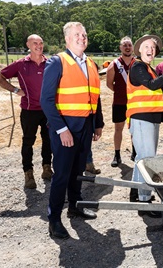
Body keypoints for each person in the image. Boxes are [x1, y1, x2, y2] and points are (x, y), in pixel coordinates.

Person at [41, 22, 104, 239]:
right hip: (65, 128)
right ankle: (54, 219)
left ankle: (75, 206)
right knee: (62, 175)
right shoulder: (57, 62)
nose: (82, 38)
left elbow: (96, 96)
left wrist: (98, 123)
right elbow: (46, 101)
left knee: (77, 172)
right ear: (67, 39)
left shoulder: (91, 64)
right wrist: (61, 129)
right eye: (77, 34)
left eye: (84, 34)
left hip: (86, 126)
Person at [127, 34, 163, 217]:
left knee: (141, 158)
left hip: (148, 118)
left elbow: (151, 90)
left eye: (153, 47)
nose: (150, 50)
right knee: (147, 160)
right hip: (142, 118)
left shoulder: (147, 68)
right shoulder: (138, 66)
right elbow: (152, 86)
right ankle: (145, 201)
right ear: (139, 50)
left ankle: (136, 193)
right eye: (146, 47)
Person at [0, 34, 52, 189]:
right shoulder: (20, 64)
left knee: (48, 140)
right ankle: (28, 173)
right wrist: (14, 89)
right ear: (28, 45)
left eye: (41, 43)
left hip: (47, 111)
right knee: (28, 142)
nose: (38, 46)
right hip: (29, 110)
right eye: (35, 43)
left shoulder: (50, 63)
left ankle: (47, 168)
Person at [106, 36, 137, 166]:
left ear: (132, 47)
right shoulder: (114, 64)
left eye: (129, 45)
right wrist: (120, 92)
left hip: (134, 103)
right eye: (124, 45)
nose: (127, 47)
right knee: (118, 129)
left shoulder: (137, 63)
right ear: (120, 47)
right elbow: (108, 83)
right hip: (119, 102)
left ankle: (135, 152)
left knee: (135, 129)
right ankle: (117, 154)